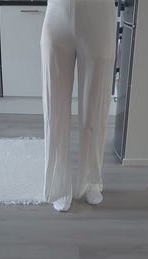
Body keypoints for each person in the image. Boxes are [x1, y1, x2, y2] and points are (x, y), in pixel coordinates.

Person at [40, 0, 117, 212]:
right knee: (54, 112)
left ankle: (91, 181)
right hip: (57, 15)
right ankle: (59, 186)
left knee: (94, 113)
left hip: (99, 17)